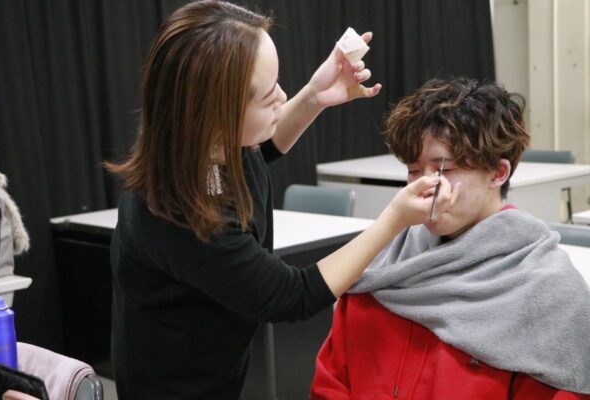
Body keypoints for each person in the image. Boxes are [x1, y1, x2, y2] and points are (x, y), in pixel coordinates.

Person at [105, 1, 459, 399]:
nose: (282, 96)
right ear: (217, 114)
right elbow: (292, 296)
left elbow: (264, 145)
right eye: (268, 96)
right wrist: (394, 218)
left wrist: (315, 96)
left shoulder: (209, 142)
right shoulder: (177, 212)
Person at [310, 78, 590, 399]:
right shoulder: (380, 265)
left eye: (444, 170)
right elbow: (331, 382)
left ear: (498, 173)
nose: (426, 188)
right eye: (414, 171)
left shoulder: (547, 290)